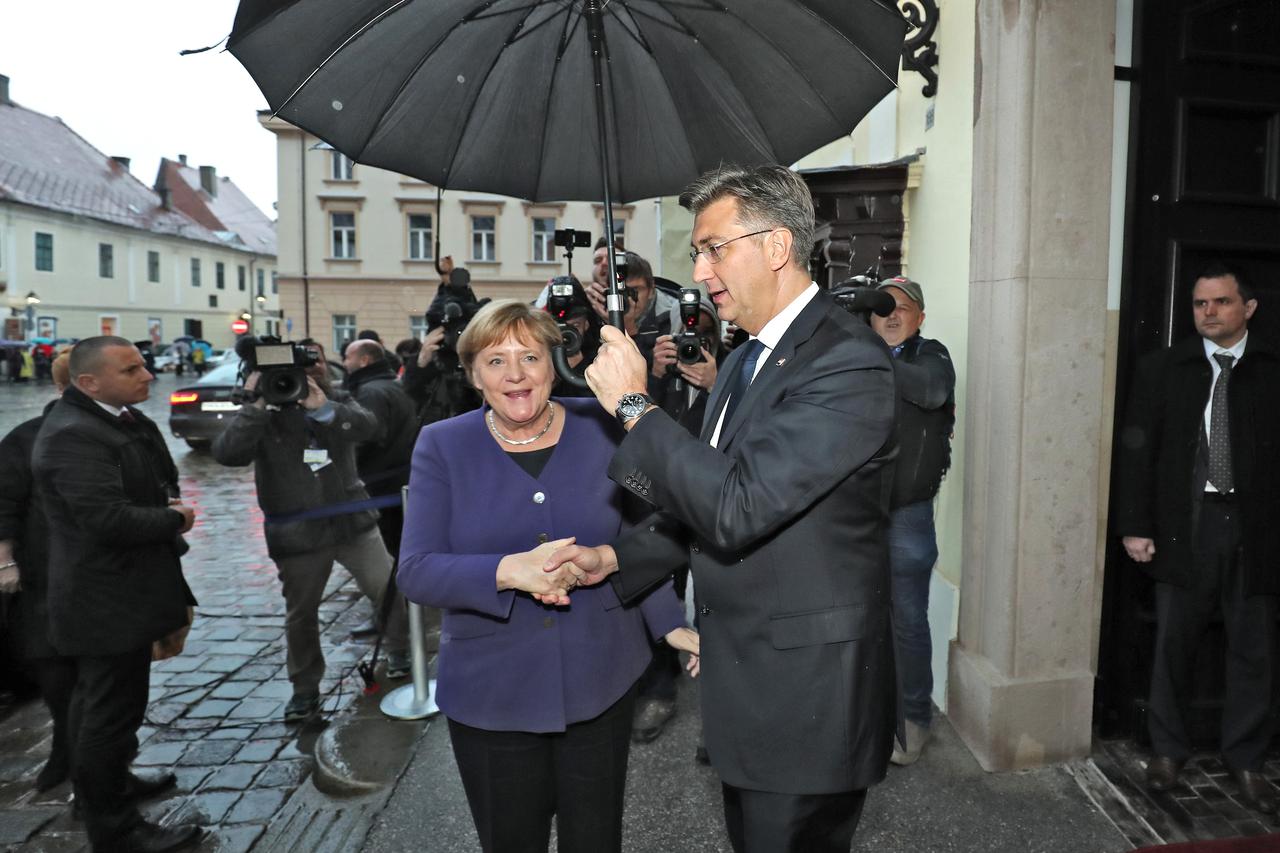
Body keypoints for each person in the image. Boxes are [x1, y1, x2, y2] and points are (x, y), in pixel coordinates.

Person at [546, 164, 899, 852]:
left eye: (715, 248)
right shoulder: (742, 361)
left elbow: (737, 506)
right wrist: (616, 557)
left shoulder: (847, 362)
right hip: (746, 677)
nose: (701, 271)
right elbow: (699, 494)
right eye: (697, 252)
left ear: (775, 247)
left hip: (809, 698)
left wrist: (632, 404)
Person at [396, 300, 699, 853]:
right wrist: (508, 572)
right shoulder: (443, 445)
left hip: (601, 674)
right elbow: (416, 571)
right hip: (492, 693)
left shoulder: (602, 425)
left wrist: (668, 624)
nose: (514, 374)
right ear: (472, 374)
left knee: (595, 839)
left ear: (552, 364)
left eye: (529, 356)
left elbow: (642, 536)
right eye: (495, 360)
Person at [1115, 262, 1280, 813]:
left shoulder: (1271, 368)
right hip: (1187, 526)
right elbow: (1138, 449)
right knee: (1173, 646)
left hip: (1257, 531)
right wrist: (1135, 525)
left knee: (1254, 650)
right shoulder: (1165, 368)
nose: (1208, 313)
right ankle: (1167, 752)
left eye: (1220, 302)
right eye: (1199, 304)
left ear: (1248, 308)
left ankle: (1248, 760)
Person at [32, 336, 200, 853]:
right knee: (106, 713)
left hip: (127, 591)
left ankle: (112, 783)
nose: (148, 375)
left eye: (143, 365)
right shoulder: (73, 435)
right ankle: (114, 827)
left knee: (114, 707)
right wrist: (174, 517)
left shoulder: (117, 418)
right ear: (89, 383)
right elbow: (105, 519)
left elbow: (150, 478)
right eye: (132, 370)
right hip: (104, 600)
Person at [211, 340, 411, 722]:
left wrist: (325, 408)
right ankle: (305, 690)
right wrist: (256, 406)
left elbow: (370, 428)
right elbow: (228, 453)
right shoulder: (260, 408)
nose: (311, 369)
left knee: (387, 586)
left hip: (353, 523)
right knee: (301, 614)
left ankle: (400, 649)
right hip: (297, 532)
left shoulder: (335, 396)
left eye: (315, 361)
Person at [869, 276, 955, 766]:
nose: (893, 315)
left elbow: (932, 391)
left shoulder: (932, 356)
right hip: (855, 514)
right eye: (884, 308)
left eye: (904, 308)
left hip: (907, 515)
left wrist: (869, 355)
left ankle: (914, 720)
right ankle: (871, 714)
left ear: (920, 317)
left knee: (906, 621)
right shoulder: (858, 358)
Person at [0, 352, 76, 792]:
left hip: (89, 576)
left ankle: (81, 758)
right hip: (42, 575)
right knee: (55, 670)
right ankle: (65, 755)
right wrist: (6, 562)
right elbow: (4, 503)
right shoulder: (25, 438)